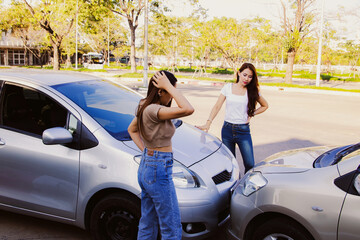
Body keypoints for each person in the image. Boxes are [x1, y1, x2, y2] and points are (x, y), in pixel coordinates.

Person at [128, 71, 194, 240]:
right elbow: (188, 109)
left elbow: (132, 130)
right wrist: (169, 86)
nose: (171, 95)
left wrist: (147, 151)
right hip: (157, 170)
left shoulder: (145, 106)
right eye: (169, 91)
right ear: (160, 91)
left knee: (148, 223)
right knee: (171, 225)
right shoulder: (153, 109)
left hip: (148, 166)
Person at [196, 63, 268, 173]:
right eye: (244, 75)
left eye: (250, 77)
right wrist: (208, 123)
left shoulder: (252, 91)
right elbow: (217, 106)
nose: (246, 79)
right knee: (230, 163)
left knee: (249, 164)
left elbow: (265, 106)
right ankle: (233, 187)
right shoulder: (228, 88)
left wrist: (252, 113)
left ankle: (247, 187)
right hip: (227, 130)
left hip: (243, 131)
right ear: (238, 73)